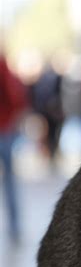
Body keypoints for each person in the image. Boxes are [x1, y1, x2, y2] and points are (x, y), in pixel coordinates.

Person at [0, 54, 28, 242]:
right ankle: (15, 226)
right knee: (9, 180)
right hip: (4, 129)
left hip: (4, 128)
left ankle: (16, 225)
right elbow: (15, 96)